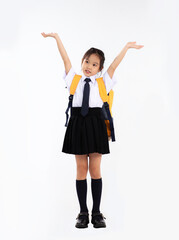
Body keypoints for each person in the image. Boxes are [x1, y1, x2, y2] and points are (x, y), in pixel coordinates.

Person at [41, 32, 144, 228]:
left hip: (96, 124)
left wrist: (127, 48)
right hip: (78, 123)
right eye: (87, 61)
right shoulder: (74, 79)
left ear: (100, 68)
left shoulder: (103, 82)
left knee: (95, 169)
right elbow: (65, 58)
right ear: (82, 62)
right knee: (81, 169)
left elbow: (114, 65)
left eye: (94, 64)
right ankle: (82, 213)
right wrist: (56, 38)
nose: (89, 66)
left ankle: (96, 213)